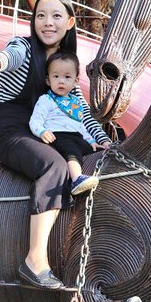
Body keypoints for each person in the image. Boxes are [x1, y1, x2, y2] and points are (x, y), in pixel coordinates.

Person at [0, 0, 111, 289]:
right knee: (56, 167)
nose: (47, 22)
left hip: (51, 136)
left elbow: (82, 114)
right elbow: (7, 58)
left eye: (56, 16)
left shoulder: (65, 66)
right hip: (15, 133)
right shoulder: (23, 47)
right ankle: (35, 261)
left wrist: (106, 142)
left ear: (69, 23)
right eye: (41, 15)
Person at [29, 50, 104, 196]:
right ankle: (76, 179)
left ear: (76, 81)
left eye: (67, 77)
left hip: (77, 136)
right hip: (58, 137)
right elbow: (35, 121)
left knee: (97, 152)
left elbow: (81, 125)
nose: (61, 81)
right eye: (56, 76)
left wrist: (91, 140)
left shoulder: (75, 103)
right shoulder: (46, 100)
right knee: (72, 151)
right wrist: (42, 131)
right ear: (48, 80)